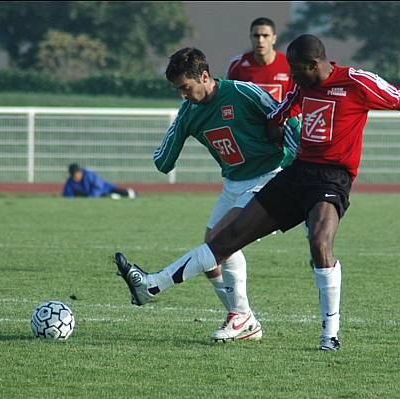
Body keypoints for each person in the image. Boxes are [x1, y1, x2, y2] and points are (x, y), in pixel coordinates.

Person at [114, 34, 400, 351]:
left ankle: (330, 334)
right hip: (297, 172)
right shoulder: (302, 85)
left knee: (320, 242)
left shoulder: (358, 82)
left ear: (313, 63)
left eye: (296, 69)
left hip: (333, 179)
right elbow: (286, 108)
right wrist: (275, 124)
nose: (292, 76)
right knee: (226, 239)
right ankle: (153, 285)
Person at [115, 47, 300, 342]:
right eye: (178, 90)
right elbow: (163, 162)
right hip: (233, 183)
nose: (182, 95)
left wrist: (293, 162)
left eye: (185, 88)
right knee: (212, 254)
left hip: (270, 177)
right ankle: (244, 318)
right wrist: (180, 125)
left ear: (204, 77)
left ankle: (153, 285)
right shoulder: (189, 112)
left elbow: (288, 119)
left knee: (222, 240)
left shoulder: (244, 92)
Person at [226, 17, 294, 102]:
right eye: (256, 36)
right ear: (250, 37)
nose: (260, 40)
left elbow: (295, 100)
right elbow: (229, 97)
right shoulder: (237, 64)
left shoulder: (289, 64)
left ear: (274, 38)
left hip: (280, 115)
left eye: (265, 36)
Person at [62, 163, 136, 199]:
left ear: (80, 172)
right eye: (74, 175)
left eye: (77, 174)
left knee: (123, 193)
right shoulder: (71, 181)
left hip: (105, 188)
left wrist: (91, 197)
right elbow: (67, 194)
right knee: (110, 198)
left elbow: (99, 186)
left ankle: (132, 193)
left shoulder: (88, 174)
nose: (76, 177)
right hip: (94, 195)